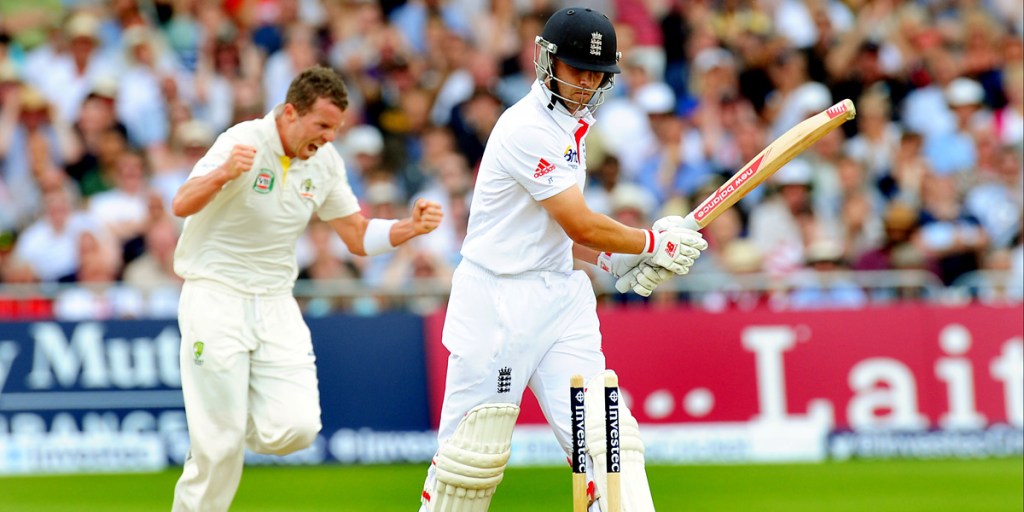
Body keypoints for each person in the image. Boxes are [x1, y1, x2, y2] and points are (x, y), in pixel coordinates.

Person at [417, 7, 706, 512]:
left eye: (597, 73)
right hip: (497, 304)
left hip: (561, 299)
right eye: (577, 69)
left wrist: (611, 260)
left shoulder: (574, 127)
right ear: (545, 60)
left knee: (608, 443)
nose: (587, 83)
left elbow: (556, 234)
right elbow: (577, 222)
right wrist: (651, 244)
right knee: (470, 466)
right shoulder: (526, 127)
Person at [169, 65, 442, 512]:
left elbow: (355, 236)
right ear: (291, 113)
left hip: (276, 300)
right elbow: (182, 202)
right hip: (214, 293)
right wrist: (221, 175)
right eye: (322, 125)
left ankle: (232, 420)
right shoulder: (243, 142)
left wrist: (409, 227)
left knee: (297, 428)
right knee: (217, 445)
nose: (330, 137)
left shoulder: (326, 163)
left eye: (336, 128)